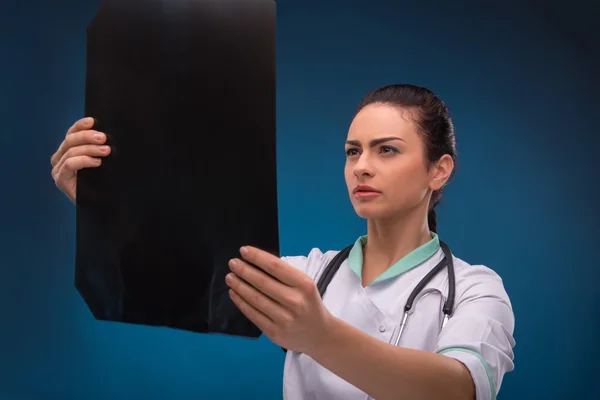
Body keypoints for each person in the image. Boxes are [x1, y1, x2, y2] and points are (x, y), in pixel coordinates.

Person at [50, 84, 515, 400]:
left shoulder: (476, 290)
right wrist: (104, 207)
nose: (361, 167)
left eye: (386, 149)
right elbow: (184, 273)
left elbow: (458, 388)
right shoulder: (311, 276)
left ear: (440, 169)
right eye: (353, 151)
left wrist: (320, 335)